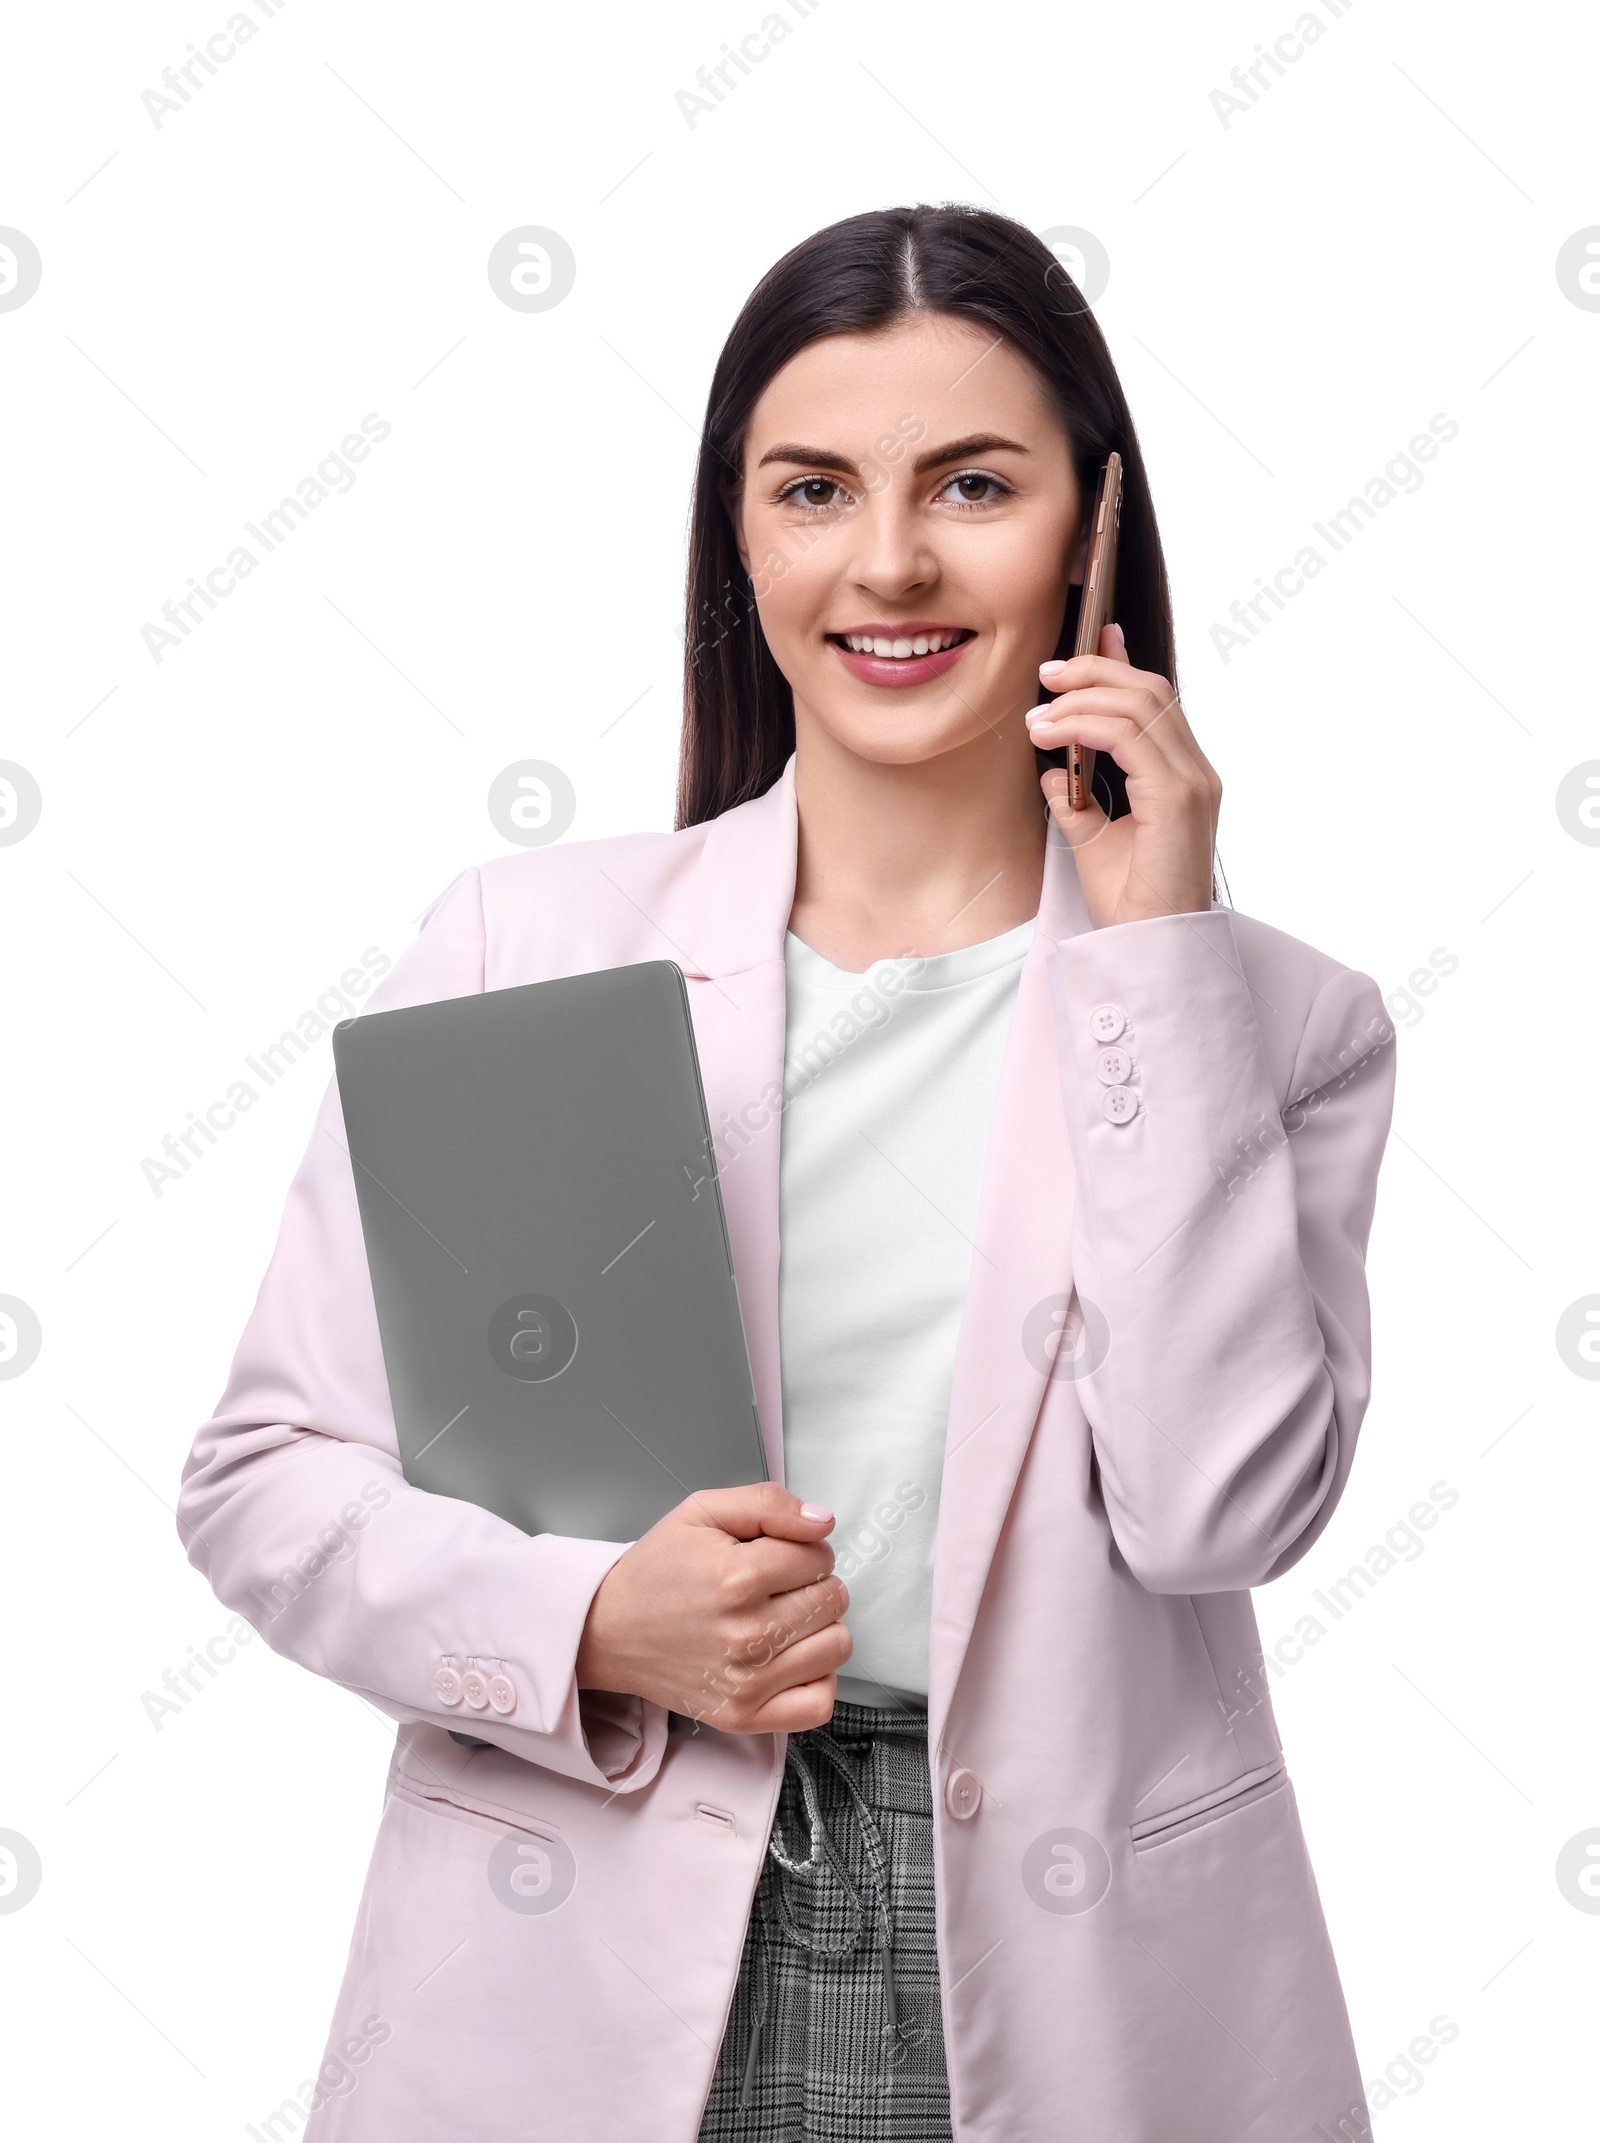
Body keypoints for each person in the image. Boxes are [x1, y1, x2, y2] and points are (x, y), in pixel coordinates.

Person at [178, 203, 1396, 2142]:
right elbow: (262, 1484)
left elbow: (1217, 1508)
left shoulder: (1270, 1023)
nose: (887, 560)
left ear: (1092, 528)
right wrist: (587, 1621)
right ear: (735, 534)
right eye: (812, 487)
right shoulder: (531, 954)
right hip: (586, 1932)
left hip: (1072, 1984)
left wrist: (1157, 954)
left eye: (970, 486)